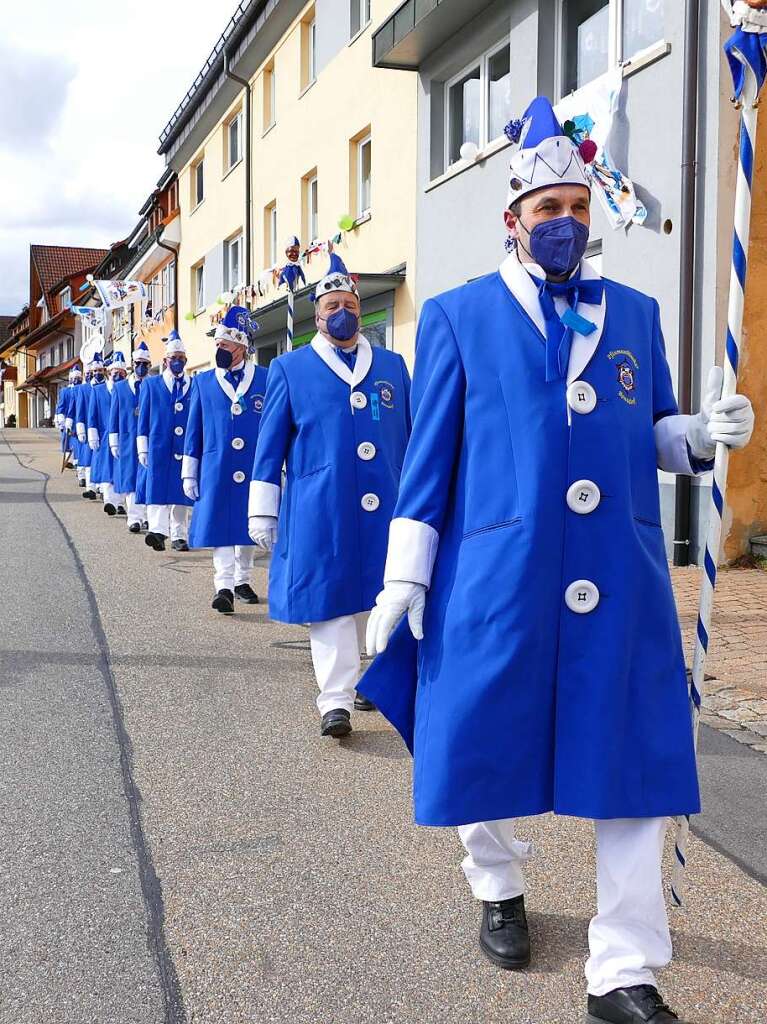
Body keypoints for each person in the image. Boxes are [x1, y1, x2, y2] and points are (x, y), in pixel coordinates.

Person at [361, 97, 756, 1024]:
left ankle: (621, 969)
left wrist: (702, 433)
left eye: (579, 207)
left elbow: (653, 429)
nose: (567, 224)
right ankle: (494, 878)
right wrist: (403, 578)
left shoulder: (634, 311)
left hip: (617, 580)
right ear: (513, 220)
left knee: (633, 758)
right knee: (480, 738)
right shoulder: (457, 318)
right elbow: (430, 463)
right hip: (495, 579)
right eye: (549, 210)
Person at [249, 253, 411, 737]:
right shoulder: (290, 369)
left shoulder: (392, 365)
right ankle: (335, 699)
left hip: (387, 499)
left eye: (350, 303)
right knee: (332, 601)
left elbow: (417, 431)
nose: (343, 312)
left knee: (381, 596)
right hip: (322, 506)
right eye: (332, 304)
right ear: (317, 315)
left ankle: (374, 680)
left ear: (360, 309)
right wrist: (264, 509)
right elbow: (270, 443)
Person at [182, 306, 267, 614]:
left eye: (225, 345)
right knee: (220, 525)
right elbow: (194, 429)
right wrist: (189, 472)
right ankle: (223, 586)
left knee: (248, 525)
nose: (219, 350)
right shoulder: (203, 382)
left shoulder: (266, 379)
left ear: (241, 347)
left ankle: (243, 580)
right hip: (216, 469)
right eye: (217, 345)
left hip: (253, 466)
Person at [137, 329, 193, 552]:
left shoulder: (194, 385)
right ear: (165, 361)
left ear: (185, 360)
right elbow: (143, 419)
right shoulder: (151, 385)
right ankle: (158, 532)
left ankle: (179, 535)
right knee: (157, 488)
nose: (177, 362)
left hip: (184, 447)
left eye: (180, 359)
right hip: (158, 446)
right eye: (173, 359)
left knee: (180, 492)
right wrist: (143, 447)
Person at [109, 341, 151, 534]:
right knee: (130, 477)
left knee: (147, 477)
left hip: (149, 438)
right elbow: (114, 414)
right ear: (132, 365)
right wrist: (113, 439)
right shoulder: (119, 387)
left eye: (145, 363)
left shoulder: (154, 384)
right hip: (127, 438)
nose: (141, 367)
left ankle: (147, 517)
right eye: (138, 363)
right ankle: (134, 518)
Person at [87, 351, 128, 516]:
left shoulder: (128, 390)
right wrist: (92, 433)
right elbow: (92, 414)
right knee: (107, 468)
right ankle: (109, 500)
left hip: (124, 437)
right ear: (108, 373)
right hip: (104, 436)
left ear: (125, 374)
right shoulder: (98, 391)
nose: (117, 375)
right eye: (114, 372)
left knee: (121, 469)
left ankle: (119, 502)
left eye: (121, 373)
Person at [57, 365, 82, 472]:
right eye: (74, 378)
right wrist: (61, 419)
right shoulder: (65, 391)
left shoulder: (83, 389)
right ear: (70, 378)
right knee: (67, 443)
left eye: (78, 378)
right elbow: (61, 406)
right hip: (68, 420)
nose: (76, 380)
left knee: (78, 443)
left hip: (79, 420)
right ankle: (69, 460)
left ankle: (78, 463)